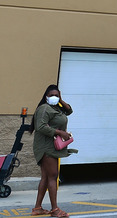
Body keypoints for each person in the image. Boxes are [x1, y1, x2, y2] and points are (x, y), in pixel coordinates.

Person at [30, 85, 74, 218]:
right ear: (46, 97)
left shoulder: (56, 108)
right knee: (53, 176)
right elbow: (41, 126)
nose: (54, 97)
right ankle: (55, 209)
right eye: (52, 95)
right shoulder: (44, 108)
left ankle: (37, 208)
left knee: (45, 177)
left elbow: (69, 111)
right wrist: (60, 132)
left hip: (51, 147)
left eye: (57, 95)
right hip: (46, 147)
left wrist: (61, 99)